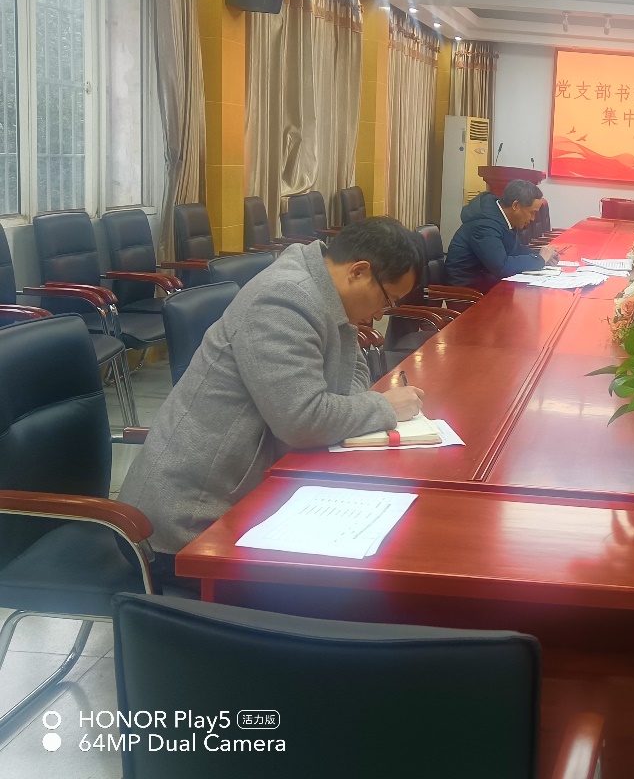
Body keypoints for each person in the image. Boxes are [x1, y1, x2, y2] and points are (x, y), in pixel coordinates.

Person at [118, 217, 428, 588]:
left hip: (248, 495)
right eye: (387, 299)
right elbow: (303, 421)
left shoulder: (328, 294)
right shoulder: (284, 300)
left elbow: (349, 379)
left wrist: (349, 405)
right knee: (346, 588)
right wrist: (384, 408)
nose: (380, 314)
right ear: (359, 271)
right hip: (185, 526)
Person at [446, 179, 559, 291]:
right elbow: (501, 267)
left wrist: (541, 255)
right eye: (531, 212)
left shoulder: (503, 216)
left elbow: (515, 249)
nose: (533, 218)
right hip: (468, 290)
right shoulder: (485, 225)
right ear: (516, 205)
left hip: (487, 281)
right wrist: (539, 260)